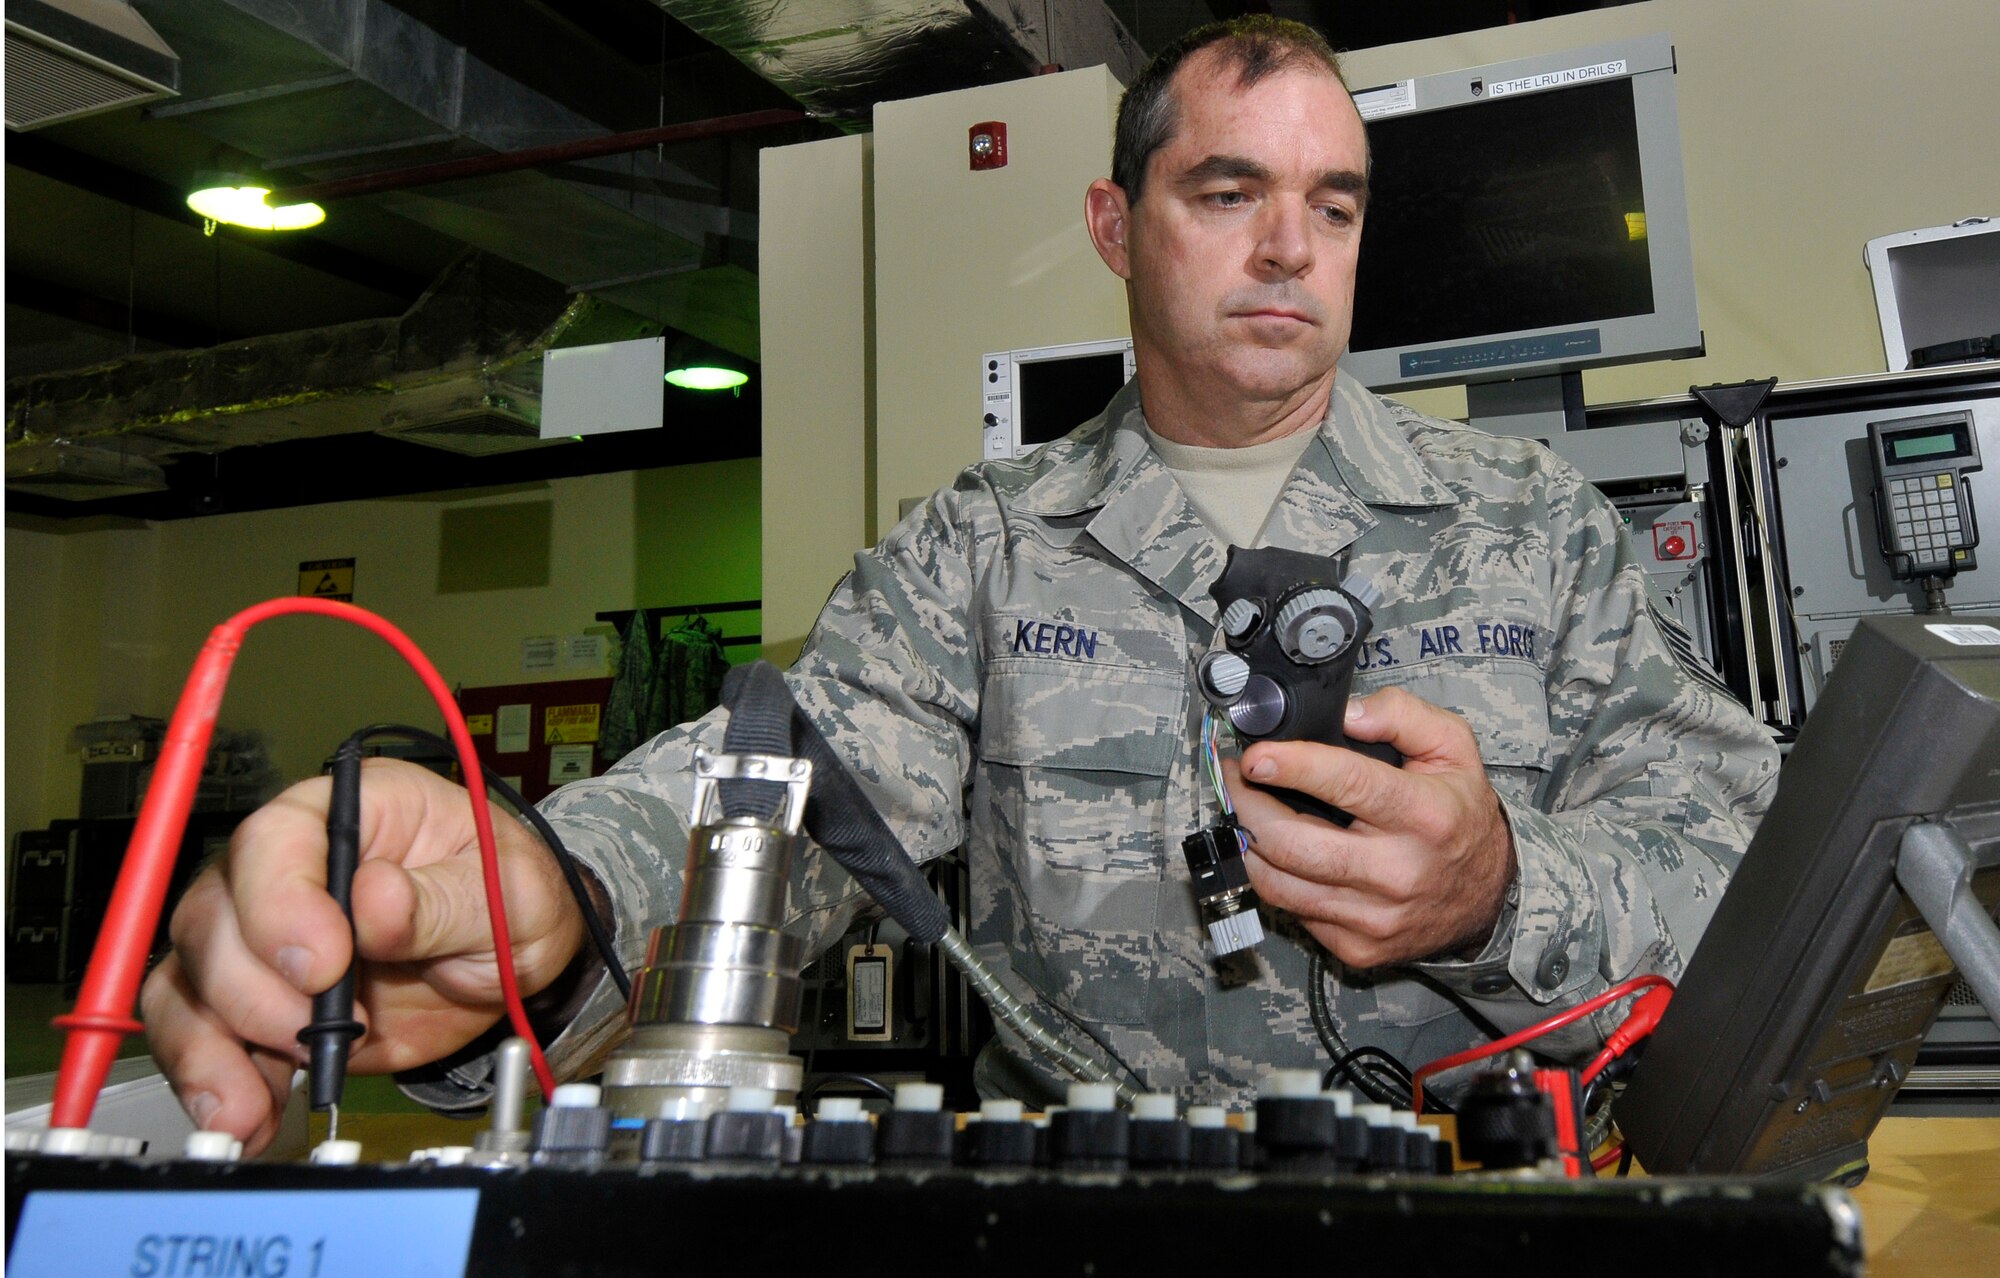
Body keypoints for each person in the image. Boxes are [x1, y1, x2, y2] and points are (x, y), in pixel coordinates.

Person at [144, 17, 1778, 1154]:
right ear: (1116, 226)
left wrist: (1500, 890)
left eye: (1331, 206)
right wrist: (552, 892)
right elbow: (788, 786)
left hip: (1486, 1210)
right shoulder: (983, 551)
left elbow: (1746, 867)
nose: (1291, 247)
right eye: (1228, 193)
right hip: (1093, 1225)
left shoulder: (1534, 524)